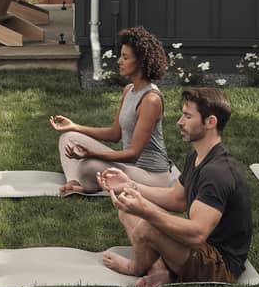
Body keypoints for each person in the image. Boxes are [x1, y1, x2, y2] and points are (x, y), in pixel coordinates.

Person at [98, 87, 252, 287]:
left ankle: (136, 267)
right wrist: (129, 185)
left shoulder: (218, 173)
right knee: (127, 208)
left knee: (147, 225)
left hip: (219, 265)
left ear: (210, 122)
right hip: (197, 249)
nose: (180, 121)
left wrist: (145, 211)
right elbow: (176, 199)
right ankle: (161, 268)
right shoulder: (197, 156)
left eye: (188, 116)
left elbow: (197, 233)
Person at [49, 26, 175, 195]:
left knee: (89, 165)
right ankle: (74, 181)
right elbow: (114, 134)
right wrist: (74, 126)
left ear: (141, 61)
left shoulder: (151, 100)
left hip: (151, 176)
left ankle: (86, 183)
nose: (119, 61)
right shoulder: (129, 90)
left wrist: (92, 153)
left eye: (125, 57)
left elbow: (132, 154)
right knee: (68, 137)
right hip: (130, 167)